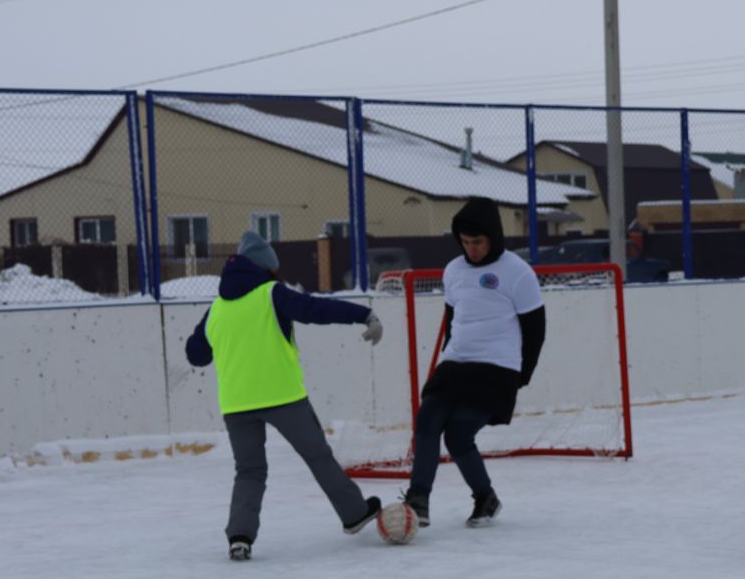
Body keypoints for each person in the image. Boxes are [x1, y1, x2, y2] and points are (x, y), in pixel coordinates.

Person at [185, 229, 385, 560]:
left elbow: (196, 355)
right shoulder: (271, 294)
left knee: (249, 470)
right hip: (283, 397)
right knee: (318, 457)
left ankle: (240, 537)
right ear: (266, 268)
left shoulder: (217, 308)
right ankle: (354, 513)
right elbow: (315, 309)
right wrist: (362, 314)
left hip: (237, 404)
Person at [401, 197, 546, 529]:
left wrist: (522, 375)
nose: (471, 249)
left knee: (459, 433)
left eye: (477, 242)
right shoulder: (453, 270)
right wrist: (446, 358)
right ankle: (418, 499)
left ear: (493, 236)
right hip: (456, 362)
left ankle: (485, 497)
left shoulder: (517, 272)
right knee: (427, 420)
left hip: (497, 367)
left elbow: (535, 330)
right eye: (465, 242)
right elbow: (453, 320)